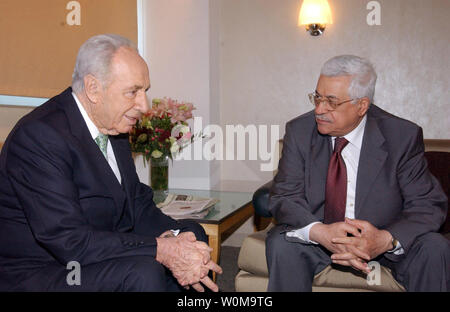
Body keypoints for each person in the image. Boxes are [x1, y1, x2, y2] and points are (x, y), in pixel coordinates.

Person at [0, 34, 222, 292]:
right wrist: (161, 249)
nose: (144, 105)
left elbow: (137, 205)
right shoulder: (41, 135)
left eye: (145, 91)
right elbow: (68, 240)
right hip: (45, 270)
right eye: (133, 92)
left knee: (193, 234)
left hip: (92, 255)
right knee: (143, 271)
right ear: (93, 88)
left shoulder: (112, 127)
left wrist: (180, 239)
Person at [266, 55, 449, 292]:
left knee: (435, 247)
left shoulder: (401, 136)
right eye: (317, 97)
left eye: (332, 101)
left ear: (362, 105)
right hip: (320, 240)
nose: (320, 109)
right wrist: (321, 233)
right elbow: (284, 196)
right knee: (281, 242)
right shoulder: (299, 131)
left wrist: (384, 240)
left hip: (382, 239)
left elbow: (428, 204)